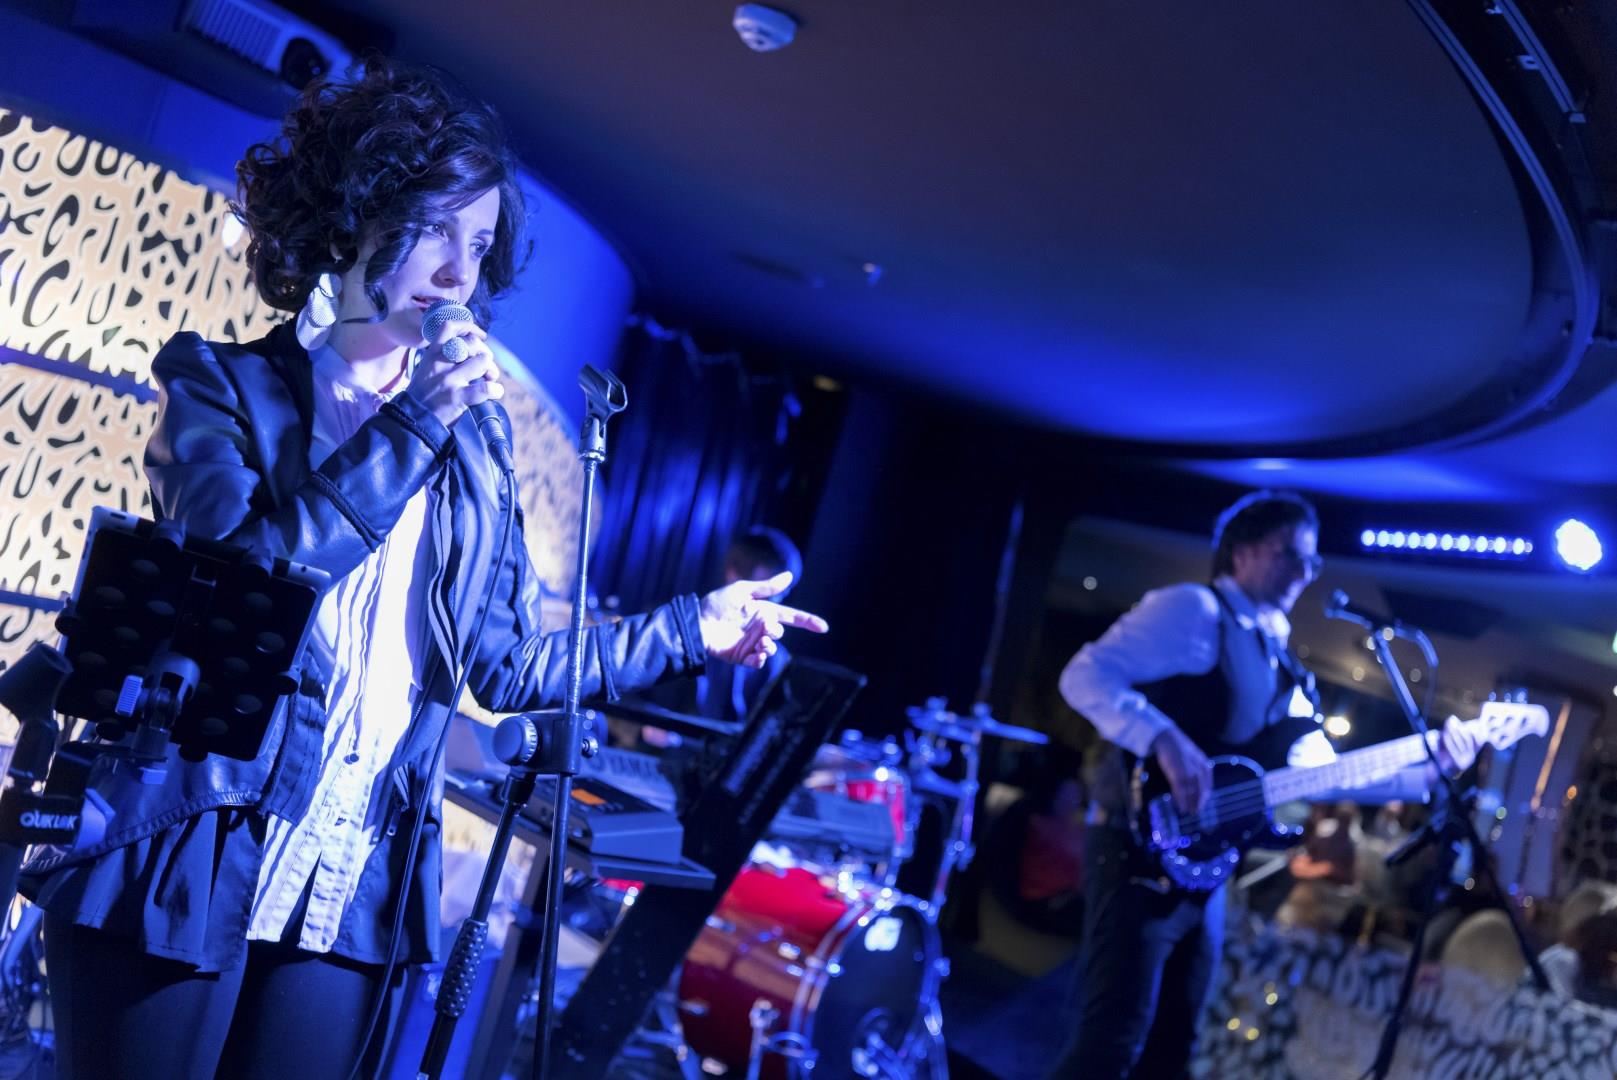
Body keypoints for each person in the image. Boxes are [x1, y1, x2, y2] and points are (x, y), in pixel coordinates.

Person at [21, 59, 826, 1080]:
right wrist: (411, 425)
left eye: (479, 244)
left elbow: (505, 665)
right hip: (191, 834)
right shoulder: (224, 384)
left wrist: (690, 627)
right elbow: (246, 578)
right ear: (355, 219)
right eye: (436, 230)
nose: (459, 272)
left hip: (355, 864)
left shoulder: (477, 446)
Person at [1045, 490, 1476, 1080]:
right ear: (1242, 552)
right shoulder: (1194, 610)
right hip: (1136, 852)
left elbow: (1323, 775)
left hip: (1205, 876)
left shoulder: (1282, 660)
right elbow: (1085, 675)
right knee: (1111, 1041)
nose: (1305, 572)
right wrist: (1162, 736)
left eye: (1312, 561)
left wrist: (1430, 769)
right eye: (1290, 554)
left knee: (1173, 1048)